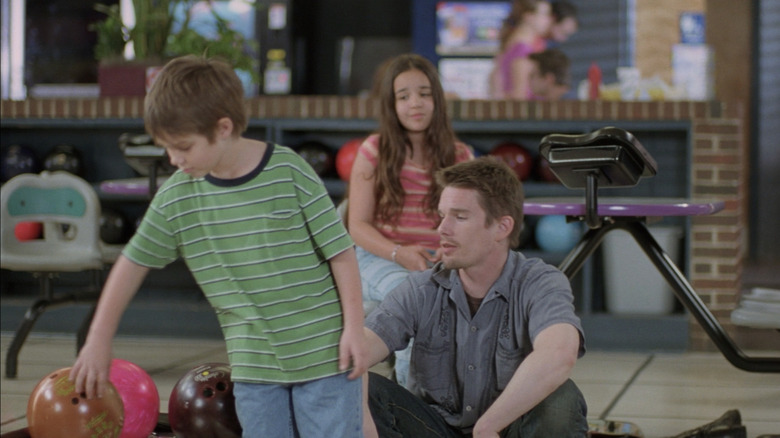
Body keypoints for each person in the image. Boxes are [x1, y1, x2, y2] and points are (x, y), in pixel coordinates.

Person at [69, 55, 367, 437]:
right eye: (166, 148)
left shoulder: (289, 170)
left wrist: (354, 330)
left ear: (222, 128)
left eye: (183, 147)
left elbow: (341, 253)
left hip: (325, 356)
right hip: (254, 368)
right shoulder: (177, 196)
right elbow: (131, 264)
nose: (175, 159)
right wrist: (98, 341)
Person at [361, 156, 588, 438]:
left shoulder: (540, 283)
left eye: (460, 216)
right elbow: (356, 352)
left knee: (560, 399)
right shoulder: (420, 289)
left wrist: (489, 425)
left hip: (505, 430)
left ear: (502, 228)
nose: (442, 228)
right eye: (442, 215)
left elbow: (559, 353)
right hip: (435, 429)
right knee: (363, 387)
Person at [347, 53, 474, 386]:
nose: (415, 103)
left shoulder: (460, 155)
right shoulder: (373, 150)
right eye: (403, 96)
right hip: (379, 257)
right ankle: (413, 408)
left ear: (437, 100)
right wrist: (399, 253)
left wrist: (451, 254)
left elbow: (470, 223)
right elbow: (357, 226)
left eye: (424, 93)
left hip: (436, 263)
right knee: (418, 303)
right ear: (390, 104)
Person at [490, 0, 553, 99]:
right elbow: (519, 97)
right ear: (529, 17)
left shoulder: (513, 44)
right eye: (545, 14)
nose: (549, 20)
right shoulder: (522, 50)